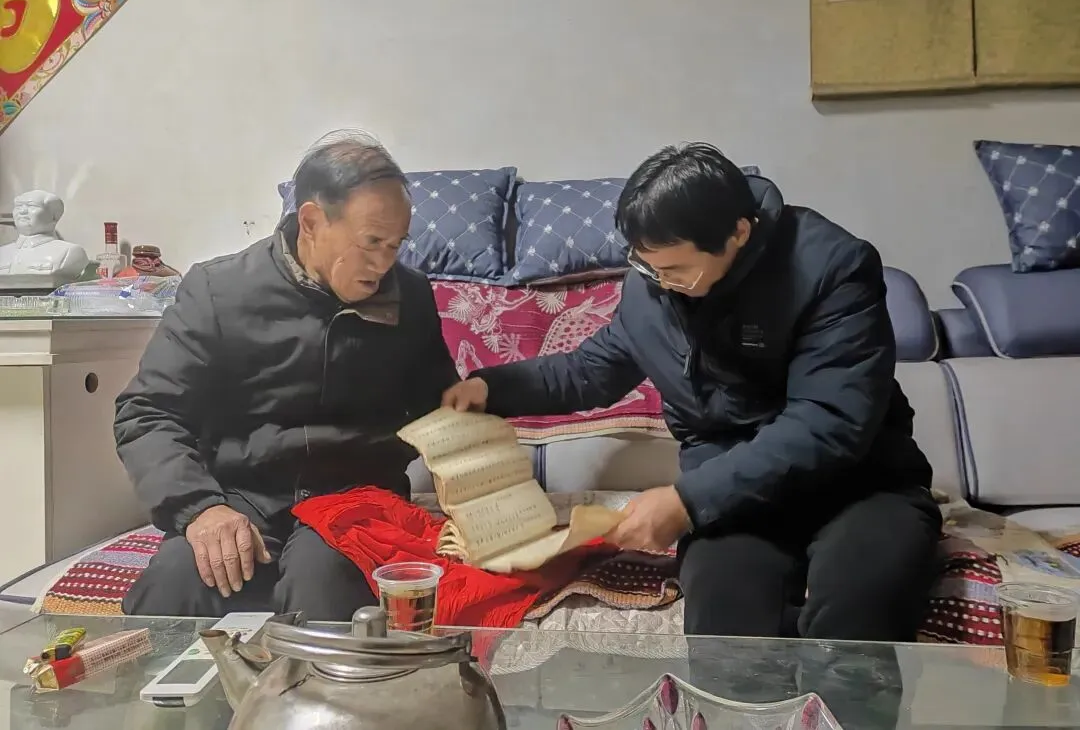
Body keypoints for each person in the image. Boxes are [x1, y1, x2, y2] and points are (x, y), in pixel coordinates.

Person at [443, 142, 943, 643]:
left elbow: (829, 420)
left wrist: (689, 499)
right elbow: (592, 369)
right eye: (649, 267)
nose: (662, 283)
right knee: (726, 619)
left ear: (739, 233)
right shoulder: (651, 287)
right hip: (733, 503)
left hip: (860, 486)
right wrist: (493, 388)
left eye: (678, 270)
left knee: (858, 612)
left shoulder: (832, 267)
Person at [116, 131, 458, 620]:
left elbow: (441, 411)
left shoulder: (410, 296)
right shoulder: (218, 290)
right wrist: (200, 509)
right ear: (312, 221)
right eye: (371, 242)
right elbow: (148, 412)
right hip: (241, 495)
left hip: (355, 501)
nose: (384, 263)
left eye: (396, 245)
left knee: (325, 588)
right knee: (175, 582)